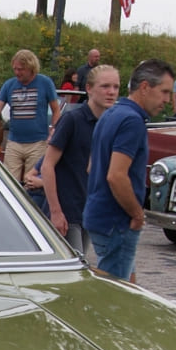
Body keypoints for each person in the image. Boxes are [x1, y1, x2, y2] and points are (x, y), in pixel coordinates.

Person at [82, 59, 176, 283]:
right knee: (115, 296)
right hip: (117, 221)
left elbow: (91, 166)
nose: (167, 100)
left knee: (127, 285)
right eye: (164, 92)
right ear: (145, 87)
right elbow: (116, 175)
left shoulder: (111, 114)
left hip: (99, 215)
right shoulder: (132, 121)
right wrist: (137, 213)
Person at [42, 65, 120, 257]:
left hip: (90, 210)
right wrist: (55, 211)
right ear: (89, 89)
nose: (111, 92)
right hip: (67, 210)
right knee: (73, 265)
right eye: (105, 86)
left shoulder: (111, 123)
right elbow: (47, 165)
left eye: (116, 87)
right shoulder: (72, 120)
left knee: (82, 263)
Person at [0, 49, 62, 184]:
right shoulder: (9, 85)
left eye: (21, 69)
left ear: (30, 68)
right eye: (15, 69)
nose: (17, 73)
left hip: (37, 142)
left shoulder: (45, 83)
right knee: (9, 181)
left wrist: (54, 129)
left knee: (31, 182)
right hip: (14, 141)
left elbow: (56, 109)